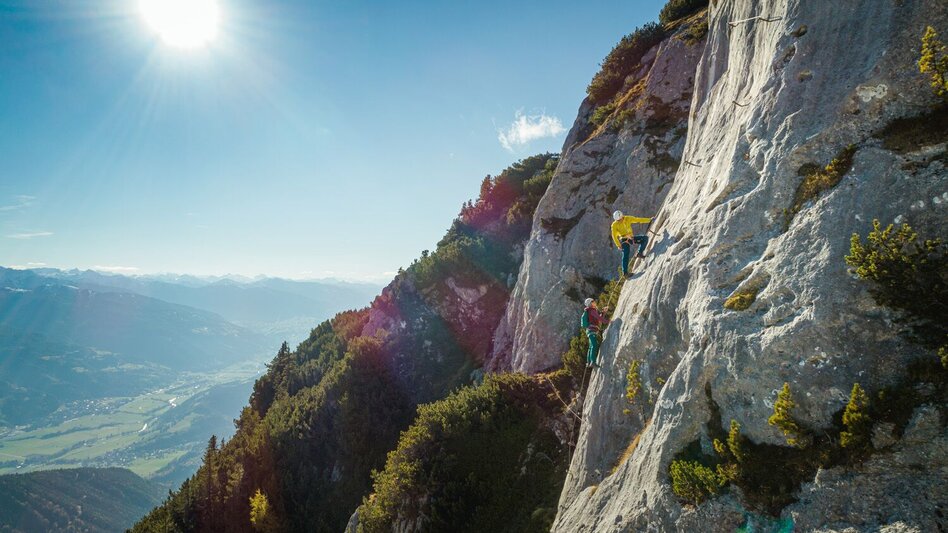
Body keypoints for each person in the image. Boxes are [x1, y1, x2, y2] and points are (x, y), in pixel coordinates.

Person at [611, 210, 652, 277]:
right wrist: (618, 245)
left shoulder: (628, 218)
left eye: (620, 219)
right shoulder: (614, 225)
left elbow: (638, 220)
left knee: (645, 238)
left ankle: (639, 253)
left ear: (622, 216)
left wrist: (649, 220)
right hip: (623, 239)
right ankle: (625, 273)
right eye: (618, 220)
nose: (620, 221)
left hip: (631, 237)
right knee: (626, 254)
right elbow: (614, 236)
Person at [581, 297, 609, 368]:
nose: (594, 302)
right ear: (590, 303)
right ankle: (592, 362)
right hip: (592, 330)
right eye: (593, 301)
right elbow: (599, 318)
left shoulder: (591, 311)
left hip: (590, 330)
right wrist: (607, 321)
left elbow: (598, 319)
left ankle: (589, 362)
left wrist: (603, 312)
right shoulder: (592, 310)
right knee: (594, 345)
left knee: (591, 346)